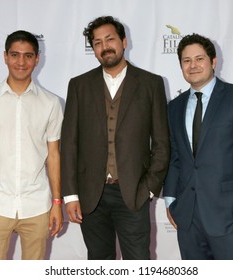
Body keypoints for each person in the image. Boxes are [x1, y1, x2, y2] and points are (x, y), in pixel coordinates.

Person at [60, 16, 170, 260]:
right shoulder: (79, 85)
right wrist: (70, 195)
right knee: (99, 262)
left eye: (109, 39)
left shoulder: (151, 83)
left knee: (138, 261)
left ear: (123, 41)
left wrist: (149, 189)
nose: (104, 46)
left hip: (133, 193)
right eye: (97, 43)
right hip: (91, 196)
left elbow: (162, 143)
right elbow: (69, 144)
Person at [163, 33, 233, 260]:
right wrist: (171, 199)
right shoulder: (174, 107)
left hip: (231, 216)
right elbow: (175, 157)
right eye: (186, 60)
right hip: (188, 217)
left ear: (213, 62)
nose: (193, 65)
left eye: (199, 59)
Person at [0, 30, 63, 260]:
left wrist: (57, 202)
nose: (21, 62)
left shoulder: (51, 103)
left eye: (28, 56)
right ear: (5, 56)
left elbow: (54, 156)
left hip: (37, 205)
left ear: (37, 59)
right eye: (15, 55)